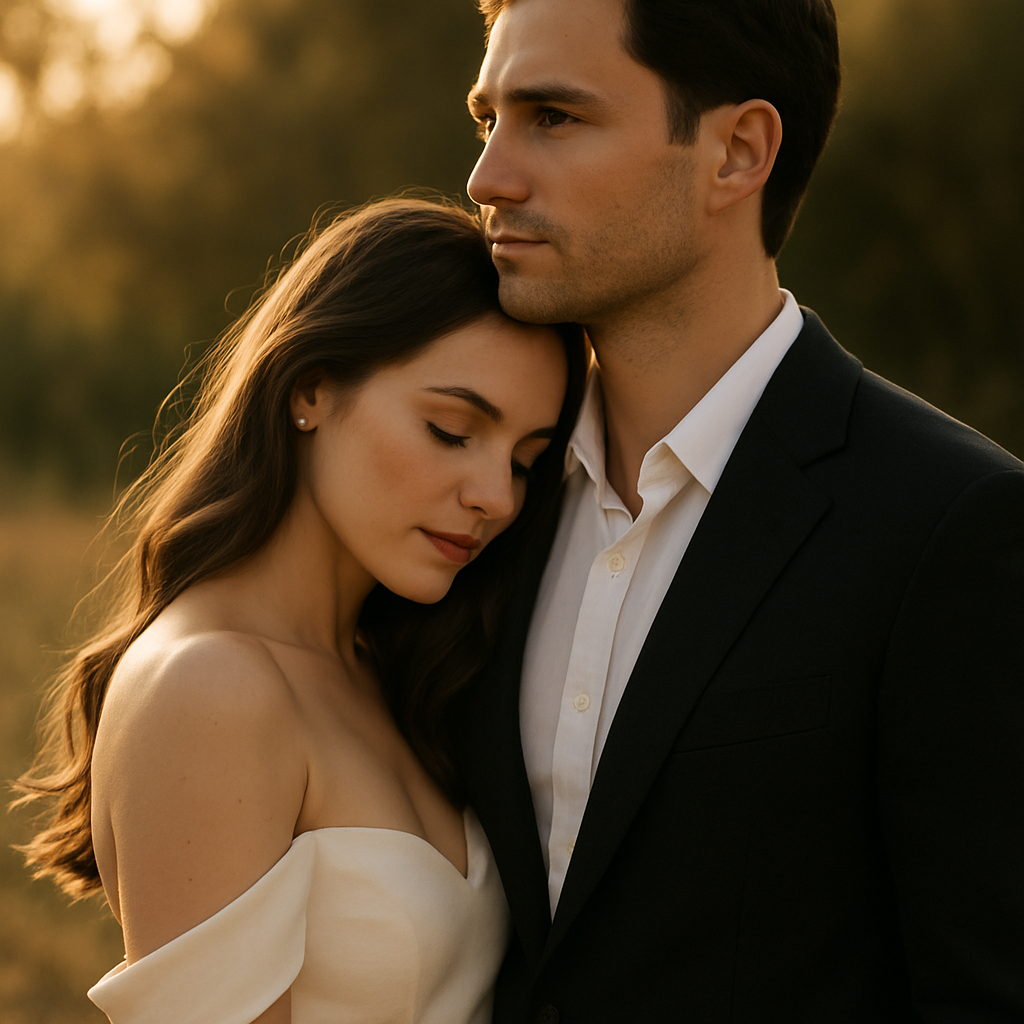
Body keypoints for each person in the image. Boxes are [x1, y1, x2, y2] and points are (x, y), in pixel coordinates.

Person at [452, 0, 1024, 1021]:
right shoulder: (476, 501)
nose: (487, 177)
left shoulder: (949, 525)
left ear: (736, 151)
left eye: (553, 117)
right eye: (486, 117)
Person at [16, 197, 586, 1024]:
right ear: (310, 389)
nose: (496, 497)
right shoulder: (210, 686)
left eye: (526, 463)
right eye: (452, 431)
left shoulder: (388, 670)